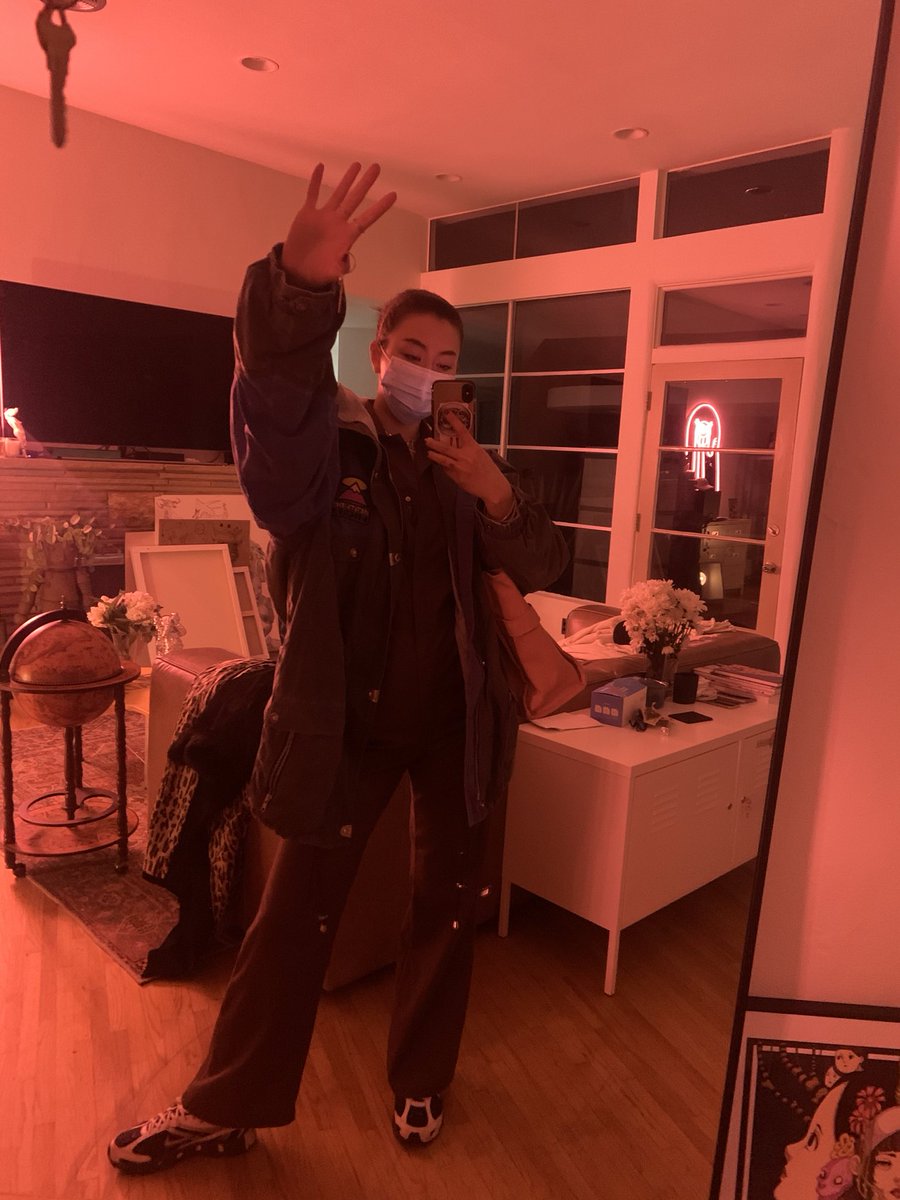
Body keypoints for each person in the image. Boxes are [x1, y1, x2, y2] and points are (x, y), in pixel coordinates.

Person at [108, 161, 569, 1176]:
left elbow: (542, 562)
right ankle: (224, 1106)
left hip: (457, 726)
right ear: (377, 353)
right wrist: (297, 291)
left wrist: (494, 489)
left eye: (444, 360)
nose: (426, 372)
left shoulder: (465, 466)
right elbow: (274, 422)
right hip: (342, 726)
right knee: (292, 919)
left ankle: (423, 1079)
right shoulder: (332, 448)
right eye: (411, 352)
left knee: (448, 903)